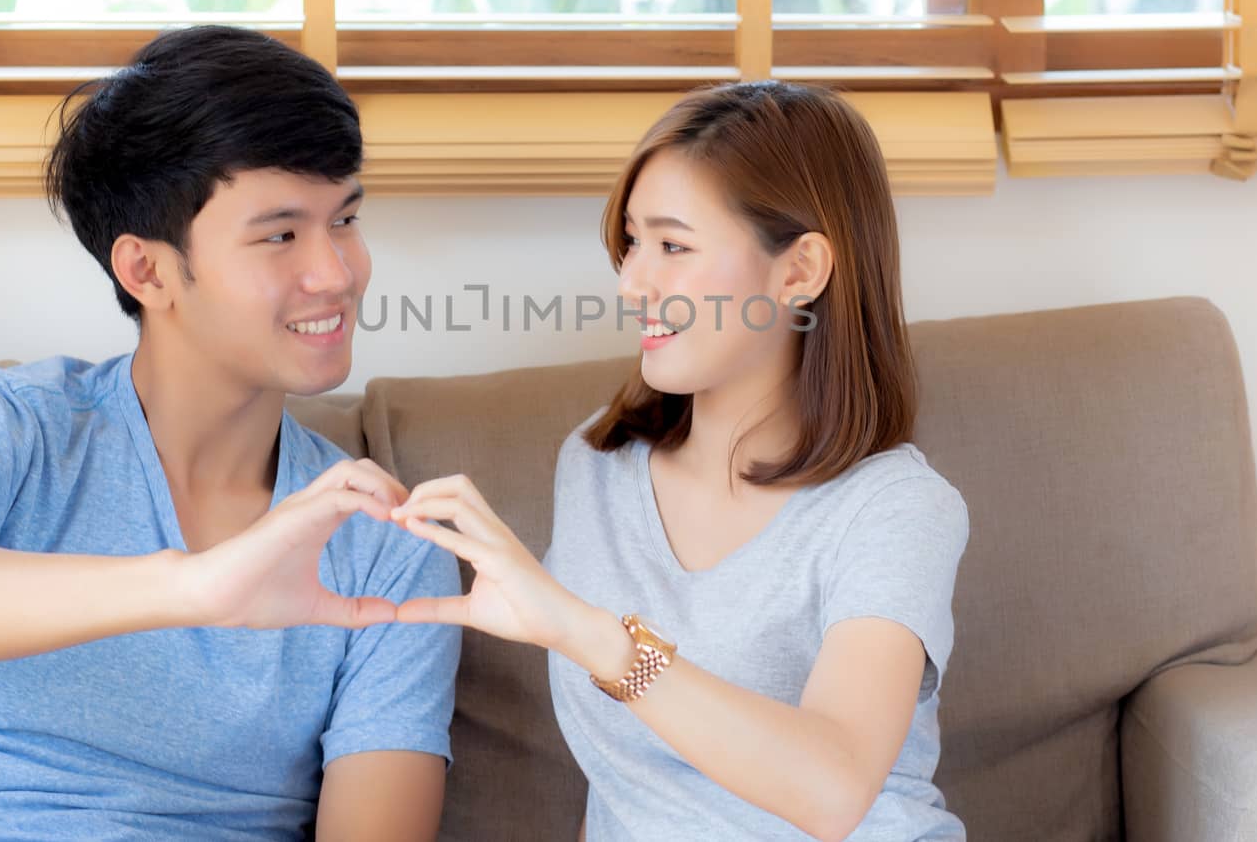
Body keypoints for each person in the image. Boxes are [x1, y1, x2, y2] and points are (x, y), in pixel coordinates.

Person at [0, 26, 461, 841]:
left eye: (345, 219)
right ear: (146, 270)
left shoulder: (386, 546)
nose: (336, 273)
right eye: (280, 234)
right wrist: (195, 586)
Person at [389, 81, 970, 840]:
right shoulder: (595, 467)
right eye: (632, 241)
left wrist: (588, 632)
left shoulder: (894, 508)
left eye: (673, 245)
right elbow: (632, 793)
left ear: (798, 272)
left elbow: (834, 787)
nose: (632, 280)